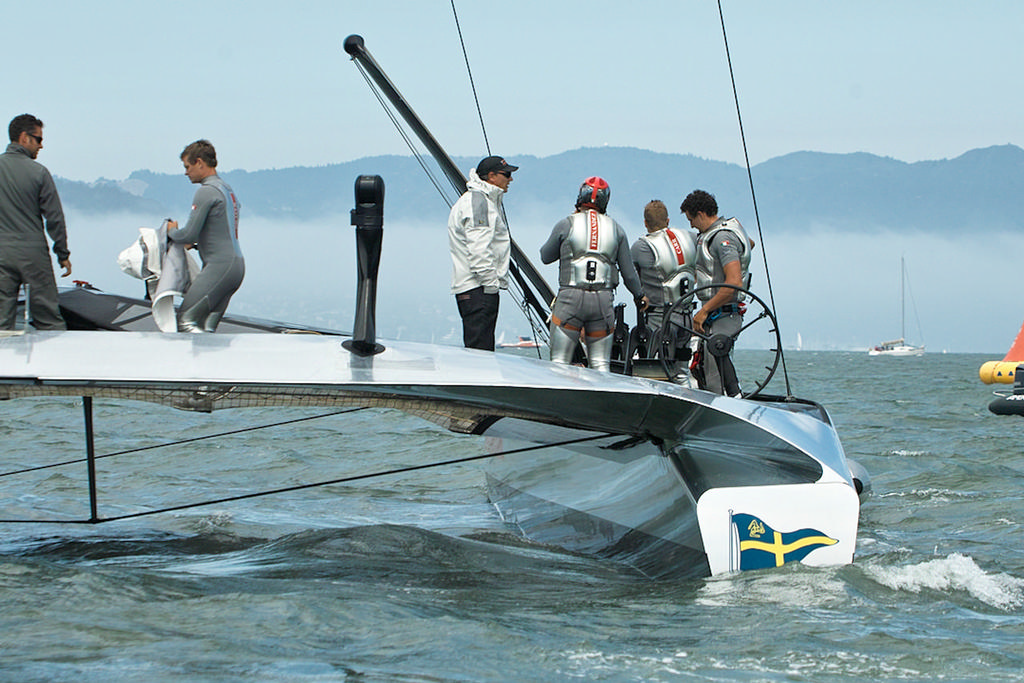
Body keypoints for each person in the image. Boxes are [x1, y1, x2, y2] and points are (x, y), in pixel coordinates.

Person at [540, 176, 647, 372]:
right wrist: (639, 296)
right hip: (603, 300)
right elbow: (629, 273)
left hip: (570, 298)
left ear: (580, 196)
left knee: (559, 363)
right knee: (600, 365)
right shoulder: (617, 229)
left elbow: (545, 256)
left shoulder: (566, 224)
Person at [0, 114, 72, 330]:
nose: (41, 145)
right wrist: (63, 254)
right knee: (48, 320)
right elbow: (55, 218)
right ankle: (54, 362)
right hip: (32, 254)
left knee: (1, 324)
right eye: (38, 139)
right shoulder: (39, 173)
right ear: (24, 138)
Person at [679, 189, 753, 396]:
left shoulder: (722, 238)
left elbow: (733, 283)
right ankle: (733, 397)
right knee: (708, 365)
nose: (691, 224)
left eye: (691, 219)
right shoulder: (728, 231)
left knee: (716, 355)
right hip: (717, 311)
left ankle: (734, 398)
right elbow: (750, 244)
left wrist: (703, 312)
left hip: (723, 312)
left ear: (701, 214)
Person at [166, 140, 244, 332]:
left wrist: (170, 231)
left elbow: (188, 233)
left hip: (219, 267)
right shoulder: (227, 190)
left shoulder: (206, 191)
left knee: (185, 320)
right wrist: (196, 245)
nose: (186, 172)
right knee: (206, 327)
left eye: (187, 166)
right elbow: (220, 231)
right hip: (236, 268)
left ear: (200, 162)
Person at [448, 155, 516, 351]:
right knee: (480, 352)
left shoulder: (482, 200)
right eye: (507, 174)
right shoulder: (479, 203)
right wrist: (491, 285)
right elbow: (479, 249)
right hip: (478, 289)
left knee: (479, 349)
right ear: (492, 176)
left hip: (474, 288)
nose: (510, 179)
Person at [630, 199, 696, 365]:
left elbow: (631, 277)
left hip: (659, 319)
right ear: (668, 220)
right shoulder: (689, 237)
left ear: (645, 223)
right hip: (687, 317)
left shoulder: (641, 247)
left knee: (655, 369)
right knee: (682, 369)